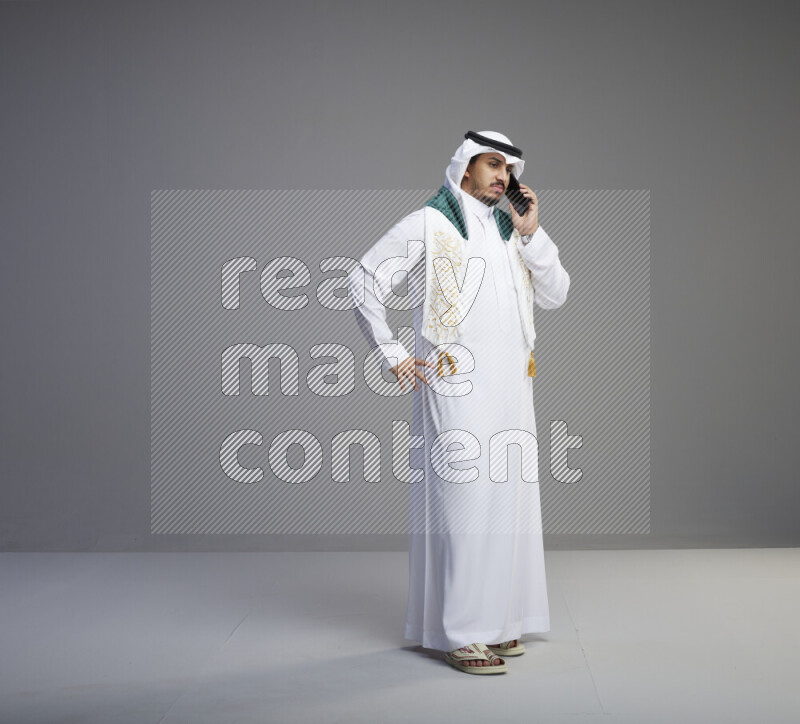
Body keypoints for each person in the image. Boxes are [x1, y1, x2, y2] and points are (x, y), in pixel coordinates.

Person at [348, 131, 570, 674]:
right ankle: (462, 631)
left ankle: (500, 623)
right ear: (465, 167)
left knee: (509, 501)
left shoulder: (511, 232)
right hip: (454, 382)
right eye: (492, 164)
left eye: (509, 168)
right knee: (464, 501)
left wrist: (533, 233)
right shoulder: (431, 222)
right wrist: (392, 351)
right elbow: (362, 280)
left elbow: (557, 292)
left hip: (514, 385)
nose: (503, 176)